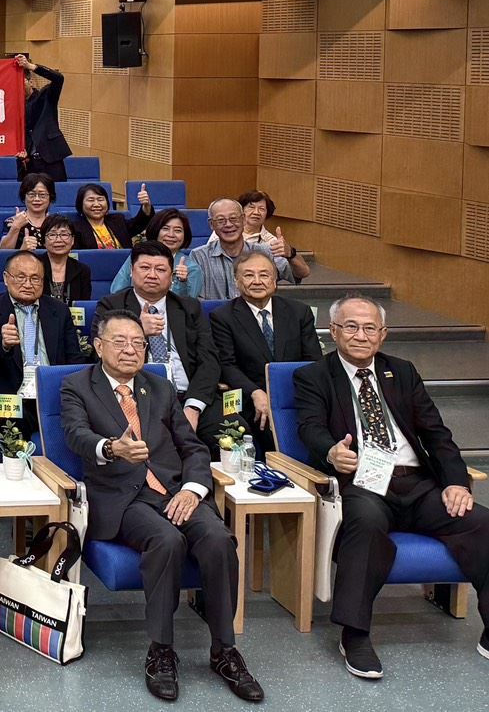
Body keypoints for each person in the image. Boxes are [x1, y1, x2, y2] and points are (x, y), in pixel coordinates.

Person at [60, 310, 263, 703]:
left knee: (219, 539)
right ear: (98, 346)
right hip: (123, 497)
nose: (130, 349)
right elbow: (76, 434)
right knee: (166, 540)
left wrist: (193, 490)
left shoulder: (160, 387)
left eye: (138, 342)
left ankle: (224, 650)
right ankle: (161, 650)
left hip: (174, 491)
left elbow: (193, 447)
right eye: (119, 341)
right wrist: (112, 448)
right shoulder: (77, 386)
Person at [294, 295, 489, 679]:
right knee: (365, 524)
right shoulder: (314, 376)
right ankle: (355, 634)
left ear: (383, 334)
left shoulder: (401, 371)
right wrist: (331, 452)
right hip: (362, 483)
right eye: (351, 326)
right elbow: (310, 427)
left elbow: (437, 434)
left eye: (370, 328)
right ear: (333, 331)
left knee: (481, 522)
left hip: (416, 483)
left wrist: (455, 482)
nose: (361, 335)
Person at [96, 242, 220, 446]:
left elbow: (209, 360)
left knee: (231, 432)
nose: (152, 275)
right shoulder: (111, 305)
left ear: (171, 276)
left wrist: (193, 407)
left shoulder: (189, 307)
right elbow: (99, 355)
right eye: (145, 268)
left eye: (161, 269)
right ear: (131, 271)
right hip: (139, 397)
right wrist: (138, 330)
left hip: (188, 396)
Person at [209, 248, 320, 455]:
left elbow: (312, 360)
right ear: (236, 281)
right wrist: (255, 392)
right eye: (248, 275)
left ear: (275, 280)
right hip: (246, 395)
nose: (257, 281)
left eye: (264, 275)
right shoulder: (222, 317)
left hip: (294, 393)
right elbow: (226, 365)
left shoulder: (299, 312)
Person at [0, 251, 88, 440]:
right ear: (6, 278)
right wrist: (2, 343)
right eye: (21, 277)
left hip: (51, 392)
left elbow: (74, 357)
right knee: (18, 428)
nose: (28, 284)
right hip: (12, 396)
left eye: (35, 279)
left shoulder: (59, 310)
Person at [188, 199, 294, 301]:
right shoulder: (199, 256)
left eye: (233, 218)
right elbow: (196, 299)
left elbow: (297, 275)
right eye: (221, 220)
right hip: (215, 313)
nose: (228, 224)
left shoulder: (264, 252)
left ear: (243, 219)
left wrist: (291, 254)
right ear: (211, 224)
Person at [111, 209, 203, 299]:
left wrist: (182, 282)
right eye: (165, 229)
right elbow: (116, 291)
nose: (171, 235)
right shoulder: (138, 256)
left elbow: (189, 305)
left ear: (185, 235)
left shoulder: (192, 268)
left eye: (178, 230)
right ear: (156, 230)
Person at [16, 54, 72, 181]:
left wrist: (30, 66)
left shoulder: (46, 96)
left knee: (56, 191)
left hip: (51, 158)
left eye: (21, 81)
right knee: (29, 191)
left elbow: (59, 78)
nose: (18, 86)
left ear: (31, 82)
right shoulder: (13, 106)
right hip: (28, 161)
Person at [234, 189, 309, 281]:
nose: (256, 212)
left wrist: (291, 253)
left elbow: (302, 273)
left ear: (267, 214)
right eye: (251, 207)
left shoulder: (272, 243)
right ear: (241, 211)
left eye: (262, 209)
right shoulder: (226, 233)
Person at [70, 181, 152, 250]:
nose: (96, 204)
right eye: (91, 200)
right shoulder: (75, 228)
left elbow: (139, 223)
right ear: (80, 204)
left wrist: (146, 205)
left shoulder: (118, 220)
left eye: (100, 199)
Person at [39, 213, 92, 303]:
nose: (58, 240)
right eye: (52, 235)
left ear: (72, 240)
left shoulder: (82, 270)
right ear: (43, 241)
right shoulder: (34, 267)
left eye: (64, 234)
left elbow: (84, 304)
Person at [0, 173, 56, 251]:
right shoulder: (12, 222)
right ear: (24, 197)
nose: (37, 199)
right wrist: (16, 227)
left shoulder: (56, 223)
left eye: (42, 195)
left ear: (50, 197)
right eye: (31, 194)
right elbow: (3, 253)